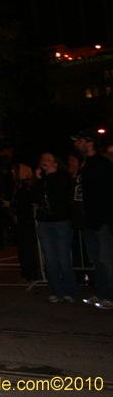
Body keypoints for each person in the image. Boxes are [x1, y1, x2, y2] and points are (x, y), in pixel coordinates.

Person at [72, 130, 113, 310]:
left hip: (102, 219)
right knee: (96, 259)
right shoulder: (86, 164)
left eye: (79, 140)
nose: (76, 144)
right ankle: (101, 292)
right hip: (90, 219)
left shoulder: (103, 164)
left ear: (89, 143)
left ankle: (109, 295)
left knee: (106, 259)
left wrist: (106, 218)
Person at [33, 152, 78, 303]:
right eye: (42, 159)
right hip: (45, 222)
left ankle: (69, 291)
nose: (44, 161)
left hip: (61, 222)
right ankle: (54, 291)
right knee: (50, 258)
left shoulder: (62, 177)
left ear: (55, 164)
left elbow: (60, 196)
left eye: (48, 159)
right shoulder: (41, 179)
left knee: (63, 258)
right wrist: (39, 180)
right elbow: (35, 197)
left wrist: (51, 176)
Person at [9, 163, 38, 284]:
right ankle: (26, 272)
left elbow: (25, 204)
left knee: (27, 247)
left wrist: (13, 207)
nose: (13, 173)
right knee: (23, 248)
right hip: (21, 220)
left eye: (16, 171)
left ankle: (30, 273)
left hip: (25, 220)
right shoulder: (18, 187)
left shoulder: (26, 187)